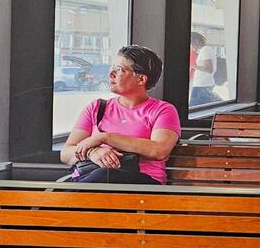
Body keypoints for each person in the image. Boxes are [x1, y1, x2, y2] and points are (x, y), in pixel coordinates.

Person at [61, 45, 181, 184]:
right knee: (102, 176)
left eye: (119, 69)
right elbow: (66, 153)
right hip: (90, 178)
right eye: (112, 67)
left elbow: (158, 151)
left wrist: (104, 137)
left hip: (141, 184)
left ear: (141, 79)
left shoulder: (163, 110)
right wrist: (92, 152)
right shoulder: (96, 108)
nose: (111, 74)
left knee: (106, 174)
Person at [189, 32, 219, 106]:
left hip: (202, 85)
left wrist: (192, 65)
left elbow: (209, 69)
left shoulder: (205, 50)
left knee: (194, 108)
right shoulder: (205, 50)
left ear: (196, 41)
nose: (191, 47)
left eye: (191, 44)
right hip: (203, 85)